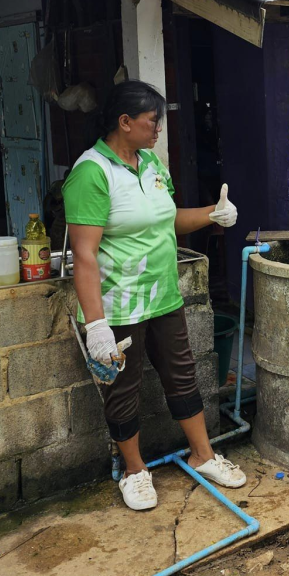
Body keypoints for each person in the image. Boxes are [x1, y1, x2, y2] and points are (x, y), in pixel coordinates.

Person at [63, 80, 246, 511]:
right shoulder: (92, 172)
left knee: (182, 374)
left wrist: (211, 215)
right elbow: (84, 256)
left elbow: (166, 220)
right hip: (118, 304)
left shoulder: (150, 164)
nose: (158, 130)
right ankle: (134, 472)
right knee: (124, 387)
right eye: (151, 122)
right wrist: (96, 325)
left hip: (163, 295)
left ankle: (203, 455)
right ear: (125, 123)